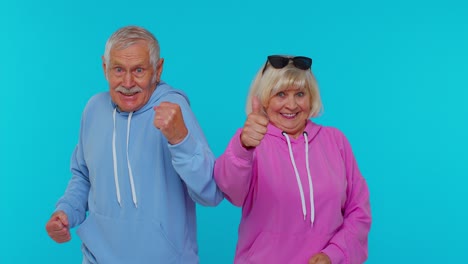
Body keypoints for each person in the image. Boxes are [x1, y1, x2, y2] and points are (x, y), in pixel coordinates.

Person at [45, 25, 223, 264]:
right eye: (118, 69)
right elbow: (83, 177)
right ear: (104, 68)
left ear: (157, 70)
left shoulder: (173, 110)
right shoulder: (93, 110)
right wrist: (65, 211)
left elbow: (210, 192)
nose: (127, 82)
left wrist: (180, 139)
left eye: (138, 70)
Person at [214, 55, 371, 264]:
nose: (292, 104)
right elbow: (231, 189)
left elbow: (359, 210)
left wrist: (334, 255)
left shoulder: (336, 141)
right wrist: (243, 147)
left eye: (300, 94)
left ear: (311, 97)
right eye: (280, 94)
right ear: (263, 99)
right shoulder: (251, 141)